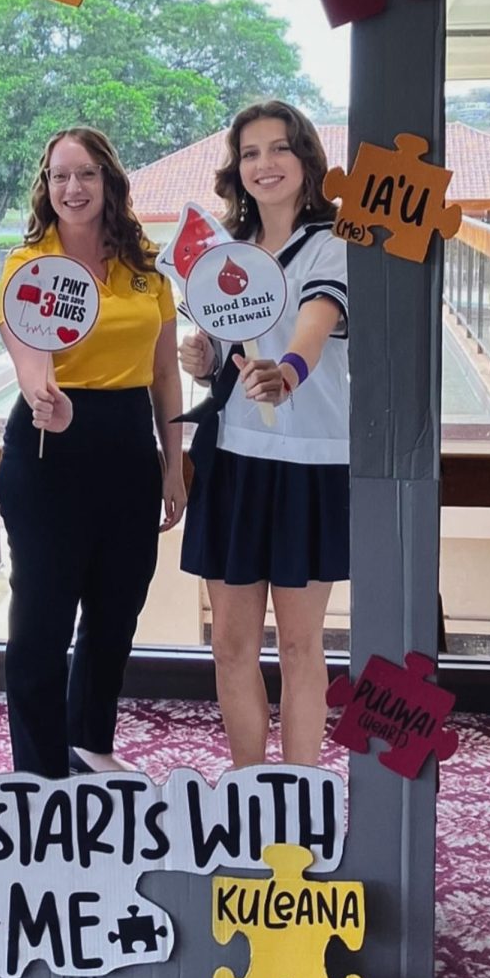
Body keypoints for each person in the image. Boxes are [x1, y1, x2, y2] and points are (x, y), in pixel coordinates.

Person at [0, 126, 186, 779]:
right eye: (59, 176)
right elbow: (28, 355)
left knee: (116, 609)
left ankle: (88, 740)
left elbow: (166, 375)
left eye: (85, 175)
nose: (72, 188)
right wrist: (48, 396)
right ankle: (40, 771)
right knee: (42, 620)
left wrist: (174, 461)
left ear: (109, 181)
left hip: (132, 443)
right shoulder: (28, 266)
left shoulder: (145, 268)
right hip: (51, 445)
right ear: (45, 189)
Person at [178, 100, 348, 769]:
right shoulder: (232, 257)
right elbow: (231, 354)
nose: (264, 164)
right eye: (250, 153)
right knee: (231, 645)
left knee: (303, 646)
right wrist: (205, 360)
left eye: (279, 149)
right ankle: (250, 790)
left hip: (310, 463)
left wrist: (289, 373)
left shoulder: (335, 243)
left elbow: (315, 319)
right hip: (234, 462)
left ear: (306, 160)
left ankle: (301, 791)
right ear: (236, 169)